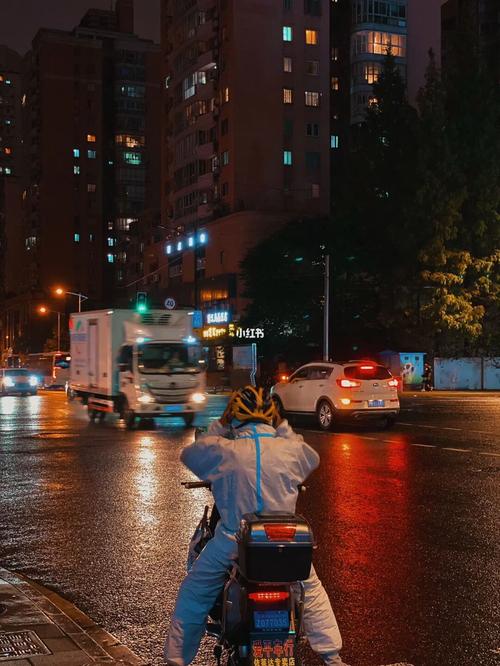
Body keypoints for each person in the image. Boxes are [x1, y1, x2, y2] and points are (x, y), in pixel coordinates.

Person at [164, 386, 349, 666]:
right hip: (284, 541)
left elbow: (190, 455)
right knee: (311, 589)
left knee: (195, 592)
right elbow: (312, 458)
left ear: (235, 417)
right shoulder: (290, 450)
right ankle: (332, 657)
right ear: (271, 417)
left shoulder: (225, 451)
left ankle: (176, 660)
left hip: (234, 540)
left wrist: (220, 425)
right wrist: (282, 428)